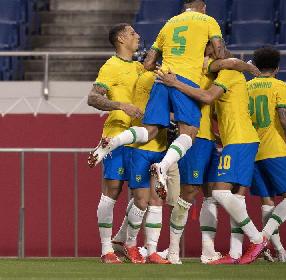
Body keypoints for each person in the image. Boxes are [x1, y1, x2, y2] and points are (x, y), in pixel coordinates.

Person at [89, 0, 226, 201]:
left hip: (162, 78)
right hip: (183, 80)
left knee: (151, 130)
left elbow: (148, 62)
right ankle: (162, 167)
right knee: (189, 133)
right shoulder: (208, 20)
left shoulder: (169, 23)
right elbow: (220, 53)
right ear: (201, 6)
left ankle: (112, 142)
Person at [155, 59, 267, 265]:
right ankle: (172, 250)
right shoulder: (188, 71)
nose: (212, 59)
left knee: (213, 194)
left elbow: (210, 97)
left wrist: (248, 67)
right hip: (197, 139)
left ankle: (212, 251)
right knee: (190, 193)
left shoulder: (220, 74)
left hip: (220, 141)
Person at [86, 23, 143, 264]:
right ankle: (106, 249)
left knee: (143, 195)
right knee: (112, 192)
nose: (137, 36)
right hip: (117, 135)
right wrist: (121, 105)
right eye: (132, 33)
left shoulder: (140, 67)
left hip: (143, 137)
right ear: (121, 38)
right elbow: (93, 97)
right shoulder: (111, 66)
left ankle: (129, 243)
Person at [110, 70, 170, 264]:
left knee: (157, 201)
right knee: (142, 201)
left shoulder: (164, 78)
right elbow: (153, 109)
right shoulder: (148, 78)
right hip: (141, 149)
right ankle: (130, 244)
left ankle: (151, 250)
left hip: (160, 148)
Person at [247, 46, 286, 262]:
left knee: (267, 200)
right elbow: (283, 115)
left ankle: (279, 251)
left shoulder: (247, 86)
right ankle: (263, 238)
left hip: (252, 149)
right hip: (274, 148)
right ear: (277, 68)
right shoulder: (279, 85)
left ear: (256, 65)